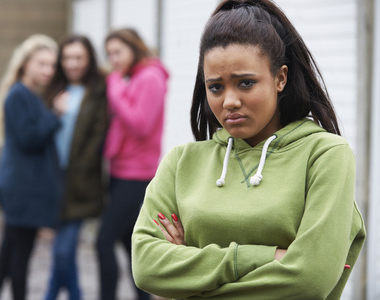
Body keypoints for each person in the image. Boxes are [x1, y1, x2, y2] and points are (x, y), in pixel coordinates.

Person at [131, 1, 366, 299]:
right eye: (215, 87)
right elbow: (146, 267)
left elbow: (310, 280)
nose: (229, 101)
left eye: (245, 83)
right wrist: (267, 258)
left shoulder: (325, 155)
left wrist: (189, 274)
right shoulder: (181, 163)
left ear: (280, 78)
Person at [0, 34, 65, 300]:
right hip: (21, 191)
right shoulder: (18, 95)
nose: (47, 70)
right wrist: (55, 115)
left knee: (7, 257)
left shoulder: (27, 94)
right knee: (18, 262)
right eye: (41, 63)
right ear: (25, 63)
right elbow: (29, 139)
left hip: (22, 189)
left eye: (51, 65)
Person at [96, 28, 169, 300]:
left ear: (134, 48)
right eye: (109, 54)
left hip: (136, 175)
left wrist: (115, 86)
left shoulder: (150, 77)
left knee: (103, 240)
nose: (113, 59)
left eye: (118, 52)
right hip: (119, 170)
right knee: (128, 242)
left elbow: (140, 124)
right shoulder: (134, 77)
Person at [42, 35, 108, 300]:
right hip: (51, 181)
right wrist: (54, 112)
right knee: (61, 253)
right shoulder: (52, 90)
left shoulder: (98, 90)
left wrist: (82, 168)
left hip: (81, 183)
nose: (72, 63)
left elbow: (99, 134)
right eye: (67, 57)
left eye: (78, 57)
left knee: (62, 252)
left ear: (89, 59)